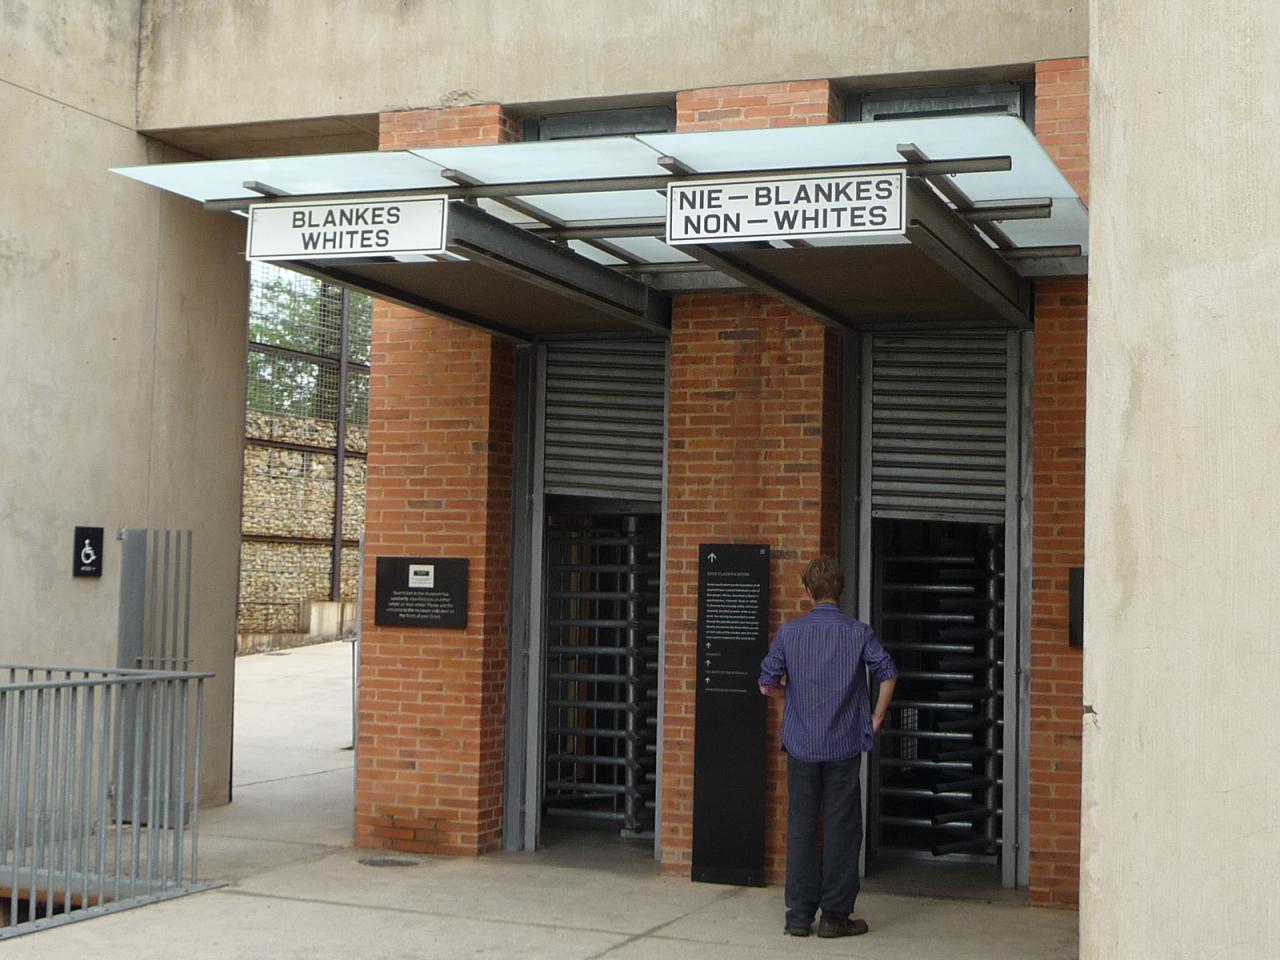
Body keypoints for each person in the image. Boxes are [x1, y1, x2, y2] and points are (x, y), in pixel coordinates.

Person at [758, 556, 897, 938]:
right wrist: (876, 717)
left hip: (801, 745)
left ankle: (798, 916)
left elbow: (766, 684)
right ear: (840, 590)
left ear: (808, 591)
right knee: (842, 829)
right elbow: (888, 673)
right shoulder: (858, 633)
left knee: (801, 826)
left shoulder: (789, 633)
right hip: (844, 745)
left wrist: (791, 698)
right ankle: (835, 917)